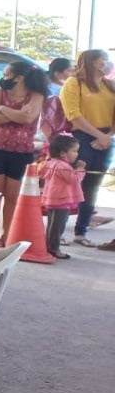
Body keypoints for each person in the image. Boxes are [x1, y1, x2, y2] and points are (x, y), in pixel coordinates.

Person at [0, 60, 47, 248]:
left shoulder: (36, 95)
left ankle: (8, 233)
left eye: (6, 74)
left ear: (19, 78)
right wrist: (14, 113)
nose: (3, 78)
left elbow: (28, 118)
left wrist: (2, 109)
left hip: (21, 151)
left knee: (12, 195)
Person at [59, 49, 115, 248]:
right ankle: (57, 232)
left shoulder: (109, 85)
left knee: (92, 186)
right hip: (81, 137)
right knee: (71, 184)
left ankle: (81, 232)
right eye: (104, 59)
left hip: (106, 139)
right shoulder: (74, 83)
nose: (108, 63)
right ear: (92, 62)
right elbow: (73, 114)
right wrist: (98, 135)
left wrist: (107, 136)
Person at [39, 134, 86, 259]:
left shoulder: (50, 163)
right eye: (74, 151)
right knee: (58, 227)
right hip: (61, 201)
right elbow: (74, 180)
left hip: (52, 199)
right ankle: (54, 249)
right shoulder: (63, 166)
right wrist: (81, 170)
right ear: (63, 154)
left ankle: (49, 247)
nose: (77, 154)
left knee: (52, 225)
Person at [39, 57, 75, 144]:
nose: (74, 73)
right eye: (70, 70)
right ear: (58, 74)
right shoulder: (60, 90)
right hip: (58, 130)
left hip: (46, 130)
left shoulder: (45, 87)